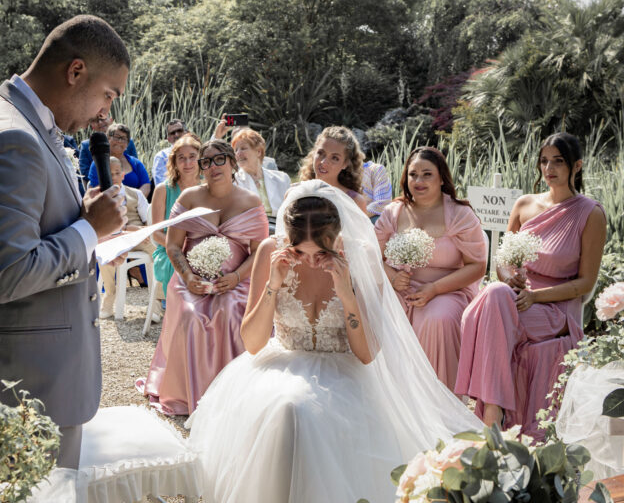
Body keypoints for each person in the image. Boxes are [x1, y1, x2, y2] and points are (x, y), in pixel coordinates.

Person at [186, 179, 482, 503]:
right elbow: (253, 343)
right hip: (280, 365)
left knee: (299, 411)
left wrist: (347, 295)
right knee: (287, 407)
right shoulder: (271, 252)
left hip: (346, 373)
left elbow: (367, 354)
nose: (310, 260)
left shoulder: (362, 256)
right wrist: (273, 285)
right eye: (299, 251)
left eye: (320, 252)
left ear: (337, 238)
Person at [0, 15, 129, 469]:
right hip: (21, 389)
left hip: (29, 378)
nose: (104, 113)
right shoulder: (12, 138)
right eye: (108, 94)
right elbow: (11, 272)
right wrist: (90, 230)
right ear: (75, 71)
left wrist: (79, 213)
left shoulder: (23, 123)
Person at [455, 132, 606, 435]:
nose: (549, 168)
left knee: (491, 302)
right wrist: (510, 277)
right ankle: (495, 408)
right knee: (497, 291)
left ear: (576, 166)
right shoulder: (524, 205)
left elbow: (586, 283)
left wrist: (536, 297)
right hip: (516, 300)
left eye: (558, 162)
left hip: (556, 308)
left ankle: (491, 412)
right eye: (544, 161)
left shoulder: (591, 213)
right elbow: (501, 261)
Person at [139, 139, 268, 415]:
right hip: (191, 281)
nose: (212, 166)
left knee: (232, 309)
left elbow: (259, 251)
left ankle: (235, 392)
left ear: (232, 163)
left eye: (219, 159)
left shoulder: (250, 201)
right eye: (206, 162)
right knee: (191, 314)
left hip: (238, 279)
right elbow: (173, 246)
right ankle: (187, 393)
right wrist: (186, 276)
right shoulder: (189, 199)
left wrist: (235, 277)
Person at [374, 147, 487, 390]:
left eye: (427, 174)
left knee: (438, 318)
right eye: (413, 174)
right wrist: (393, 276)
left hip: (447, 290)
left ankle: (439, 399)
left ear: (441, 178)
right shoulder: (393, 213)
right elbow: (373, 255)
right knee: (378, 310)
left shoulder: (459, 213)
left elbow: (477, 266)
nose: (419, 181)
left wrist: (434, 289)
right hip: (399, 287)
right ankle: (390, 397)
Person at [97, 156, 154, 319]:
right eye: (110, 173)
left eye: (117, 173)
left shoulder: (135, 194)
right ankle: (110, 293)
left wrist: (142, 231)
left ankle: (157, 298)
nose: (113, 176)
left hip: (137, 237)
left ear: (123, 174)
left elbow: (147, 219)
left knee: (156, 250)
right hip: (114, 237)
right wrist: (128, 229)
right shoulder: (99, 196)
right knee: (104, 251)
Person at [151, 135, 201, 300]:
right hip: (168, 250)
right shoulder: (163, 190)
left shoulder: (208, 187)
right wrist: (180, 248)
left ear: (200, 158)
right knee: (181, 266)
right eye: (182, 158)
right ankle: (178, 313)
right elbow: (156, 233)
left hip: (201, 248)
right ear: (174, 162)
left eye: (192, 157)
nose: (187, 163)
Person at [298, 126, 369, 214]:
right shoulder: (296, 192)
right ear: (314, 153)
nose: (324, 162)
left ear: (345, 164)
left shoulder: (355, 202)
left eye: (335, 158)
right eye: (321, 153)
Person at [232, 128, 291, 232]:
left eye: (243, 148)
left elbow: (291, 212)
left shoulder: (282, 179)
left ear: (258, 152)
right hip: (249, 233)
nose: (238, 153)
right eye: (236, 150)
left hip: (281, 231)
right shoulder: (233, 181)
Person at [88, 123, 150, 196]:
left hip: (134, 204)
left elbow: (146, 185)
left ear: (127, 144)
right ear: (108, 138)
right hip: (108, 204)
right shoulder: (98, 163)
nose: (120, 141)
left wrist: (133, 200)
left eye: (123, 138)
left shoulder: (136, 163)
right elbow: (95, 189)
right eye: (116, 137)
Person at [78, 115, 138, 186]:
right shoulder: (86, 146)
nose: (100, 123)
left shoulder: (128, 142)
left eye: (103, 119)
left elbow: (135, 166)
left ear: (111, 120)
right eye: (96, 121)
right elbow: (85, 173)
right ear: (92, 126)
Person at [152, 119, 188, 186]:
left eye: (179, 131)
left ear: (186, 133)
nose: (176, 135)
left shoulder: (197, 152)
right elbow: (161, 185)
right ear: (168, 139)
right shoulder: (161, 157)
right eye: (172, 133)